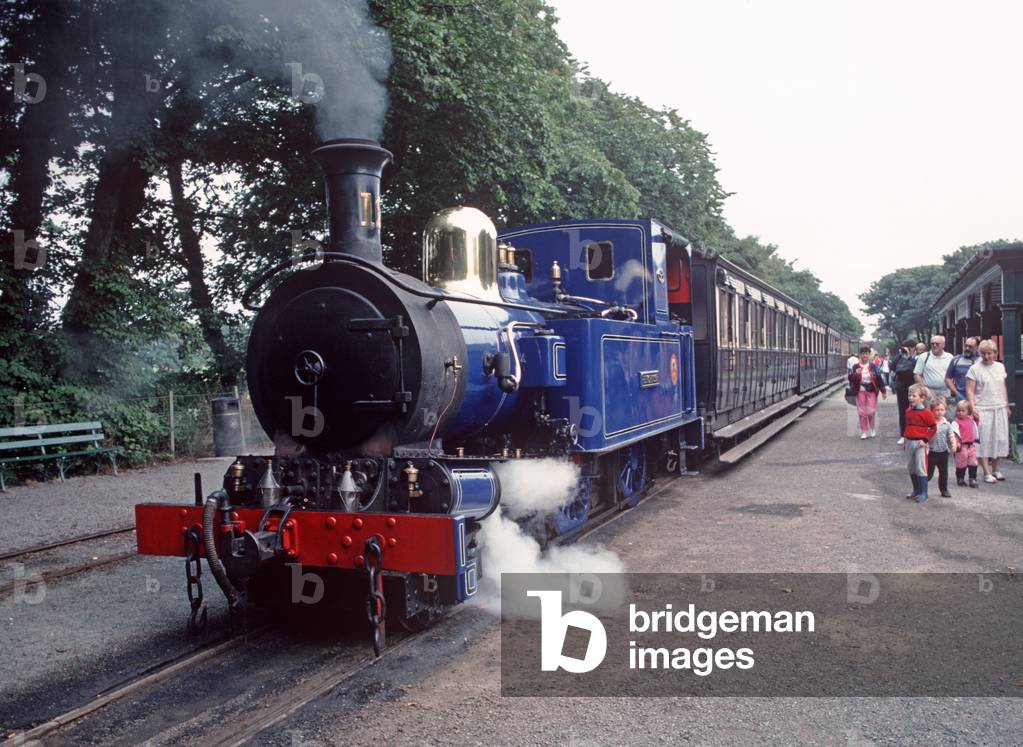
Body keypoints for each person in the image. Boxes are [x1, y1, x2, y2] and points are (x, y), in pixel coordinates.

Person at [966, 339, 1011, 484]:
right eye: (984, 353)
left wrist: (1006, 405)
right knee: (984, 441)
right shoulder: (974, 369)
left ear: (995, 353)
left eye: (989, 353)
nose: (986, 356)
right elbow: (970, 390)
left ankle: (996, 469)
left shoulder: (1000, 367)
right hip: (982, 408)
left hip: (999, 407)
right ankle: (986, 472)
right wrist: (973, 407)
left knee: (1000, 439)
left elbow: (1003, 387)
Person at [903, 384, 937, 502]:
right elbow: (907, 426)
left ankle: (924, 493)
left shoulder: (926, 413)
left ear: (922, 398)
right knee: (911, 467)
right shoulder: (908, 411)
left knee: (921, 467)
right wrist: (905, 439)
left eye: (914, 396)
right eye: (909, 395)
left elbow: (933, 427)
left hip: (920, 443)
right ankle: (916, 490)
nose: (910, 398)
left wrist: (925, 439)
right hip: (909, 441)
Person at [848, 345, 887, 439]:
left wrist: (883, 391)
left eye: (866, 353)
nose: (864, 355)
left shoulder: (873, 366)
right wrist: (855, 374)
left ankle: (872, 428)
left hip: (871, 391)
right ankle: (864, 431)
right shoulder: (855, 366)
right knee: (862, 412)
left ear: (869, 355)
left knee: (871, 411)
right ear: (860, 355)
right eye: (862, 353)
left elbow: (879, 379)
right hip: (860, 391)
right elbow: (850, 378)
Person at [890, 339, 918, 445]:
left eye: (909, 348)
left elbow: (915, 369)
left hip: (914, 387)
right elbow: (892, 366)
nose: (907, 350)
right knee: (903, 412)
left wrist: (909, 357)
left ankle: (914, 432)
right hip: (901, 388)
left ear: (913, 348)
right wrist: (901, 355)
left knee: (916, 411)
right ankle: (903, 434)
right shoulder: (900, 357)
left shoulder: (917, 358)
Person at [926, 396, 955, 498]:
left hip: (943, 452)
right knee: (929, 473)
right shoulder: (929, 423)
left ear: (945, 411)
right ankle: (922, 488)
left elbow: (951, 435)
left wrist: (953, 444)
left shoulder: (947, 424)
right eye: (937, 410)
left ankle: (944, 489)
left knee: (944, 473)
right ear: (932, 411)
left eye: (942, 410)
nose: (939, 412)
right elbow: (925, 436)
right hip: (931, 452)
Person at [945, 336, 979, 404]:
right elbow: (947, 378)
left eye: (970, 347)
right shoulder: (956, 360)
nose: (967, 348)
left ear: (977, 347)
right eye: (966, 346)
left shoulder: (981, 361)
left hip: (978, 397)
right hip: (961, 397)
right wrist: (956, 393)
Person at [954, 399, 980, 488]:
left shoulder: (971, 420)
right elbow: (954, 433)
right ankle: (960, 478)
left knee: (973, 462)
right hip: (962, 446)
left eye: (963, 411)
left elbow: (976, 425)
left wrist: (977, 418)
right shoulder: (956, 422)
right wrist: (956, 443)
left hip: (971, 445)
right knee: (961, 462)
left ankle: (972, 478)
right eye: (958, 411)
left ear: (968, 411)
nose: (960, 413)